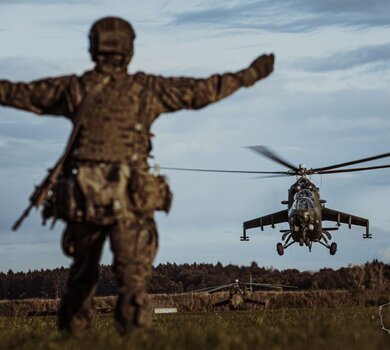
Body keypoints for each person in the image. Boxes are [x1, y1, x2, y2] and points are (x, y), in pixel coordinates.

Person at [0, 16, 275, 335]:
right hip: (129, 198)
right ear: (129, 50)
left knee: (82, 275)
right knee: (132, 277)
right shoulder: (148, 90)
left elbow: (17, 92)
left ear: (93, 48)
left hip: (85, 198)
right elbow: (204, 91)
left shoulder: (74, 89)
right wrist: (250, 75)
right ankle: (135, 331)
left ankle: (73, 334)